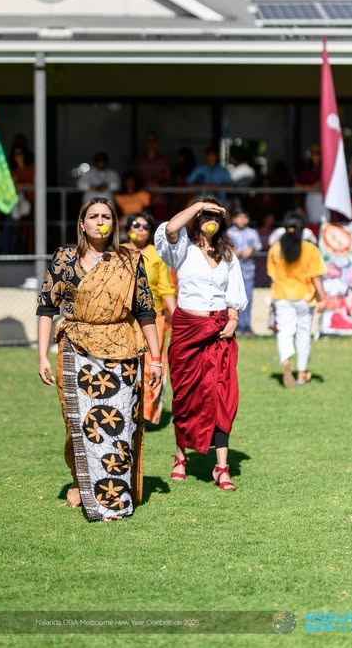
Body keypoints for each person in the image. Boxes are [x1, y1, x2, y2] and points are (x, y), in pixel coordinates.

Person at [37, 196, 161, 522]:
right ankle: (82, 480)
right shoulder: (65, 258)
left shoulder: (130, 261)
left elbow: (146, 311)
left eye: (106, 216)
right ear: (82, 223)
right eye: (93, 216)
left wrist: (158, 358)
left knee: (116, 427)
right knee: (79, 425)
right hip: (76, 347)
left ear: (114, 223)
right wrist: (41, 357)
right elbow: (46, 308)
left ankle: (113, 502)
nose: (100, 221)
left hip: (122, 347)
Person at [154, 196, 247, 490]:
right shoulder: (181, 248)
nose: (212, 220)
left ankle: (222, 467)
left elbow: (235, 291)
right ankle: (180, 456)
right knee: (186, 398)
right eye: (207, 215)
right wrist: (198, 206)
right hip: (188, 331)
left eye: (217, 216)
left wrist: (233, 319)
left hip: (220, 331)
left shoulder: (227, 253)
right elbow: (170, 228)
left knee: (222, 396)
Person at [123, 211, 176, 424]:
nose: (140, 229)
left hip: (154, 320)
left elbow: (166, 288)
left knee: (152, 366)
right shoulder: (119, 253)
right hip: (124, 320)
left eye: (145, 227)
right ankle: (125, 411)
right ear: (128, 229)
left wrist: (178, 317)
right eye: (136, 225)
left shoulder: (156, 255)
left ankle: (145, 414)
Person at [266, 211, 327, 389]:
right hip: (304, 297)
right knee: (303, 334)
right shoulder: (310, 249)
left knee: (284, 332)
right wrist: (323, 297)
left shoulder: (275, 249)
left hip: (282, 295)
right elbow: (316, 277)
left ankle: (286, 360)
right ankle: (301, 373)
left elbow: (272, 275)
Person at [227, 208, 262, 336]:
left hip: (248, 271)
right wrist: (231, 250)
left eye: (244, 217)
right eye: (239, 217)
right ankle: (235, 325)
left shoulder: (252, 233)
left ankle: (246, 326)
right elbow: (224, 245)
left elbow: (258, 247)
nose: (242, 220)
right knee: (233, 299)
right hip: (232, 272)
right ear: (233, 219)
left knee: (247, 298)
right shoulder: (229, 233)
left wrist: (251, 250)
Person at [132, 131, 171, 220]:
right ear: (145, 143)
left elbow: (168, 179)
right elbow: (132, 180)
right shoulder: (139, 161)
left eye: (153, 140)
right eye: (148, 140)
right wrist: (145, 184)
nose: (151, 143)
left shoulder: (163, 161)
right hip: (141, 200)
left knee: (160, 226)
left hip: (159, 200)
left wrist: (158, 185)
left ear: (157, 143)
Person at [294, 143, 327, 231]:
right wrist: (312, 187)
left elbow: (325, 184)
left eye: (318, 153)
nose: (316, 156)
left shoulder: (326, 168)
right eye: (314, 154)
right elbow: (296, 185)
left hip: (325, 198)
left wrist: (318, 185)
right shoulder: (307, 169)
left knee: (325, 223)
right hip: (311, 198)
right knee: (312, 222)